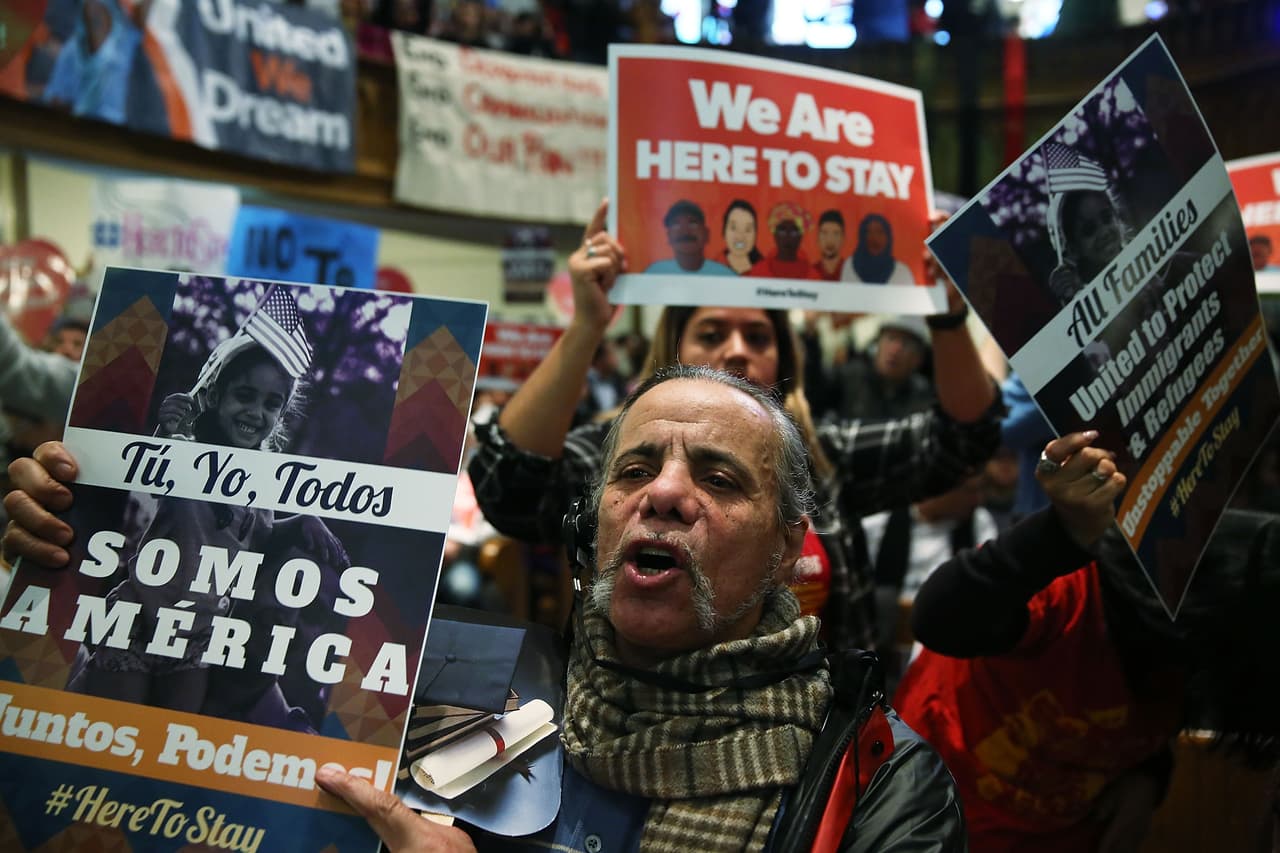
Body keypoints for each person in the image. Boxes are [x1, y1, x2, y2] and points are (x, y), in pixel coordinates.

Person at [7, 366, 969, 851]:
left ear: (790, 541)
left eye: (717, 477)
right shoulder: (461, 691)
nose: (664, 494)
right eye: (634, 469)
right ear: (597, 524)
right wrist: (69, 552)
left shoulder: (881, 783)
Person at [469, 200, 1002, 656]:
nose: (737, 351)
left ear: (784, 359)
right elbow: (508, 487)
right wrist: (588, 324)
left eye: (757, 337)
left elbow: (962, 442)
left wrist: (949, 319)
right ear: (675, 349)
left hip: (817, 738)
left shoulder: (821, 458)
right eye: (712, 333)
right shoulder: (617, 450)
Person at [895, 430, 1280, 853]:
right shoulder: (1074, 592)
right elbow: (937, 617)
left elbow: (1156, 720)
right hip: (936, 819)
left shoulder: (1203, 644)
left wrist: (1150, 775)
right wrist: (1063, 532)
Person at [828, 316, 935, 422]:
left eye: (906, 343)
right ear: (877, 344)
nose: (895, 350)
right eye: (891, 338)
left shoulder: (923, 397)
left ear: (918, 358)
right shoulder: (850, 377)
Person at [645, 200, 736, 276]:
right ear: (668, 236)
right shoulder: (654, 273)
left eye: (693, 223)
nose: (685, 231)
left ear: (706, 234)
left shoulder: (725, 276)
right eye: (676, 224)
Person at [841, 214, 913, 285]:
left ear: (888, 237)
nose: (874, 238)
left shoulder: (902, 272)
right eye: (868, 232)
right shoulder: (849, 266)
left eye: (879, 232)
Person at [751, 202, 817, 279]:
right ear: (774, 234)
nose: (787, 237)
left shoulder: (813, 275)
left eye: (794, 232)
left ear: (801, 236)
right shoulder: (758, 272)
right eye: (782, 231)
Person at [722, 198, 763, 274]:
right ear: (724, 231)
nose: (740, 237)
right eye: (733, 228)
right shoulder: (715, 265)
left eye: (748, 229)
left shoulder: (763, 268)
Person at [814, 209, 847, 281]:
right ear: (817, 237)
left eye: (836, 234)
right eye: (824, 233)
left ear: (843, 238)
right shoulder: (811, 272)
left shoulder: (850, 272)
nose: (830, 240)